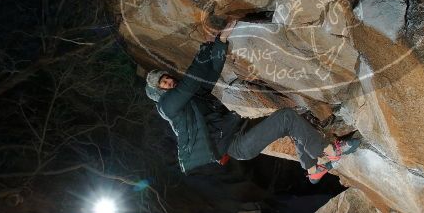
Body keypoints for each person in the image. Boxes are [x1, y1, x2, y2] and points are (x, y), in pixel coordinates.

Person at [144, 20, 359, 183]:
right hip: (236, 145)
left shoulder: (193, 98)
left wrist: (220, 42)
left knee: (295, 121)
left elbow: (211, 72)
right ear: (158, 92)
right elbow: (190, 82)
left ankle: (313, 170)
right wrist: (205, 47)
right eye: (163, 82)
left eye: (167, 77)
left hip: (242, 128)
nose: (169, 80)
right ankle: (329, 151)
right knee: (286, 118)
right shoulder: (167, 107)